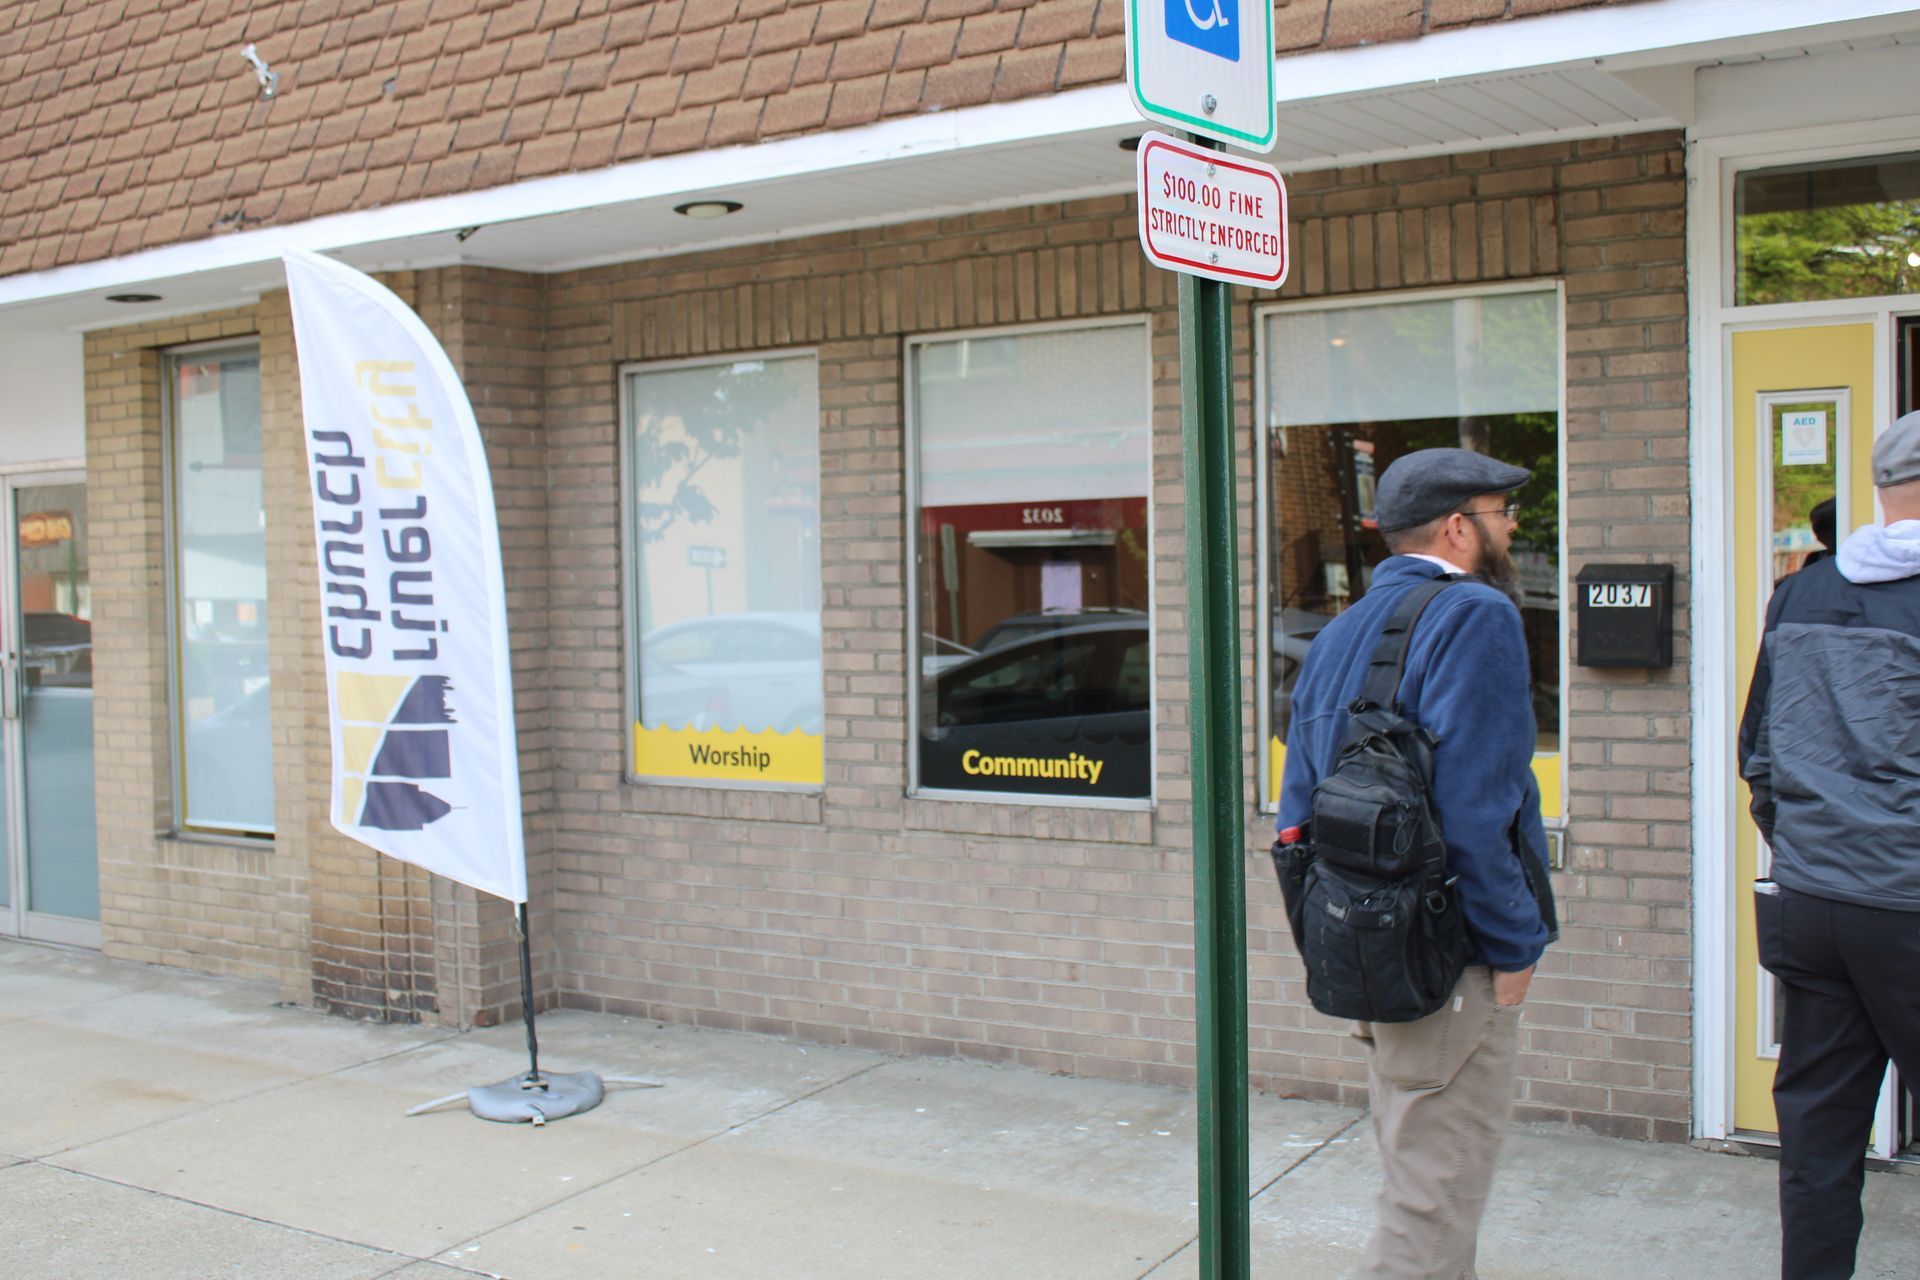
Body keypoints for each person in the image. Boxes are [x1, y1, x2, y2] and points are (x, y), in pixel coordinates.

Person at [1279, 447, 1557, 1280]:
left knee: (1417, 1172)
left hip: (1370, 942)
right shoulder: (1475, 616)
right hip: (1450, 957)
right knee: (1429, 1209)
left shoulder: (1340, 632)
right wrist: (1515, 948)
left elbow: (1297, 815)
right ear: (1457, 527)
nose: (1509, 530)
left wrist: (1337, 939)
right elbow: (1480, 809)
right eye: (1502, 516)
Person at [1740, 409, 1920, 1280]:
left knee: (1817, 1138)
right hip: (1908, 908)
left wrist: (1808, 851)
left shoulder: (1802, 590)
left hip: (1812, 906)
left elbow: (1759, 756)